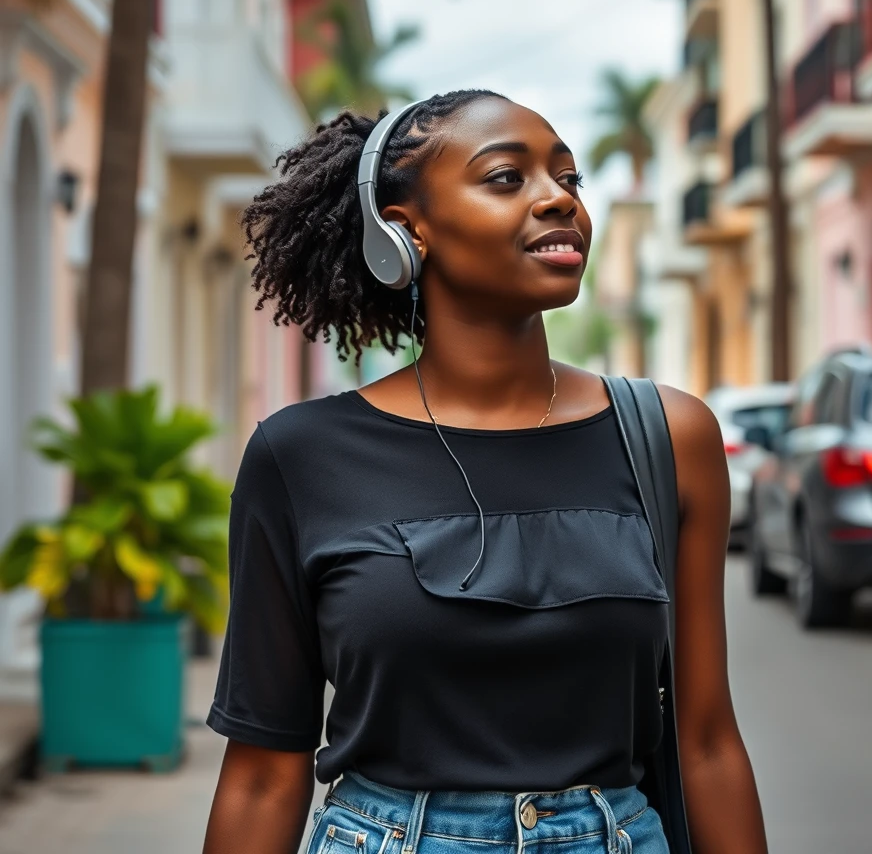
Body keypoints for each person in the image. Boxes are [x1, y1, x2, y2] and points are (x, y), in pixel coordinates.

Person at [201, 90, 768, 854]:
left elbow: (706, 743)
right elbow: (264, 774)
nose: (556, 201)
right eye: (507, 178)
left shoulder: (671, 437)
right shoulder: (300, 456)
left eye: (568, 179)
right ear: (406, 231)